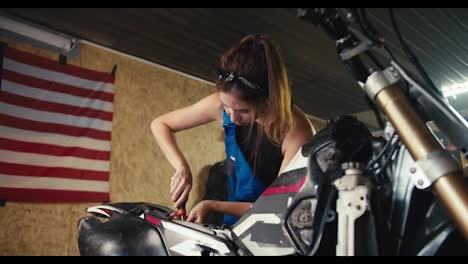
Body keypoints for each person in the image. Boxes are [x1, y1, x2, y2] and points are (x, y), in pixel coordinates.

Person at [151, 34, 314, 225]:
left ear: (268, 99)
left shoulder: (296, 132)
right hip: (233, 218)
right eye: (225, 106)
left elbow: (276, 206)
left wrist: (211, 205)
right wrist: (182, 167)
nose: (232, 117)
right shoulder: (222, 107)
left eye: (243, 111)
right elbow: (160, 125)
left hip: (274, 226)